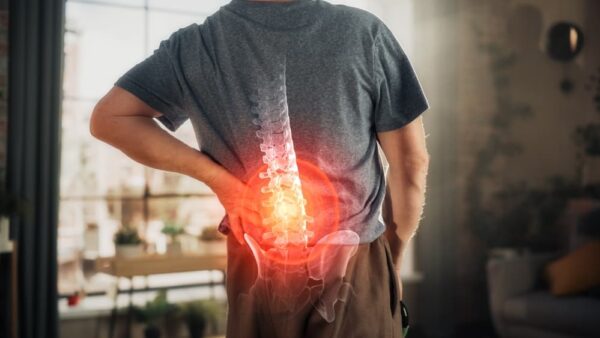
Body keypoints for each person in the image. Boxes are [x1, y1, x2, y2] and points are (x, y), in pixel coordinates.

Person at [90, 0, 429, 337]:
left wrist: (220, 181)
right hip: (356, 269)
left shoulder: (195, 45)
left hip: (252, 269)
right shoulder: (363, 34)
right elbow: (411, 165)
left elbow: (110, 118)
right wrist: (390, 263)